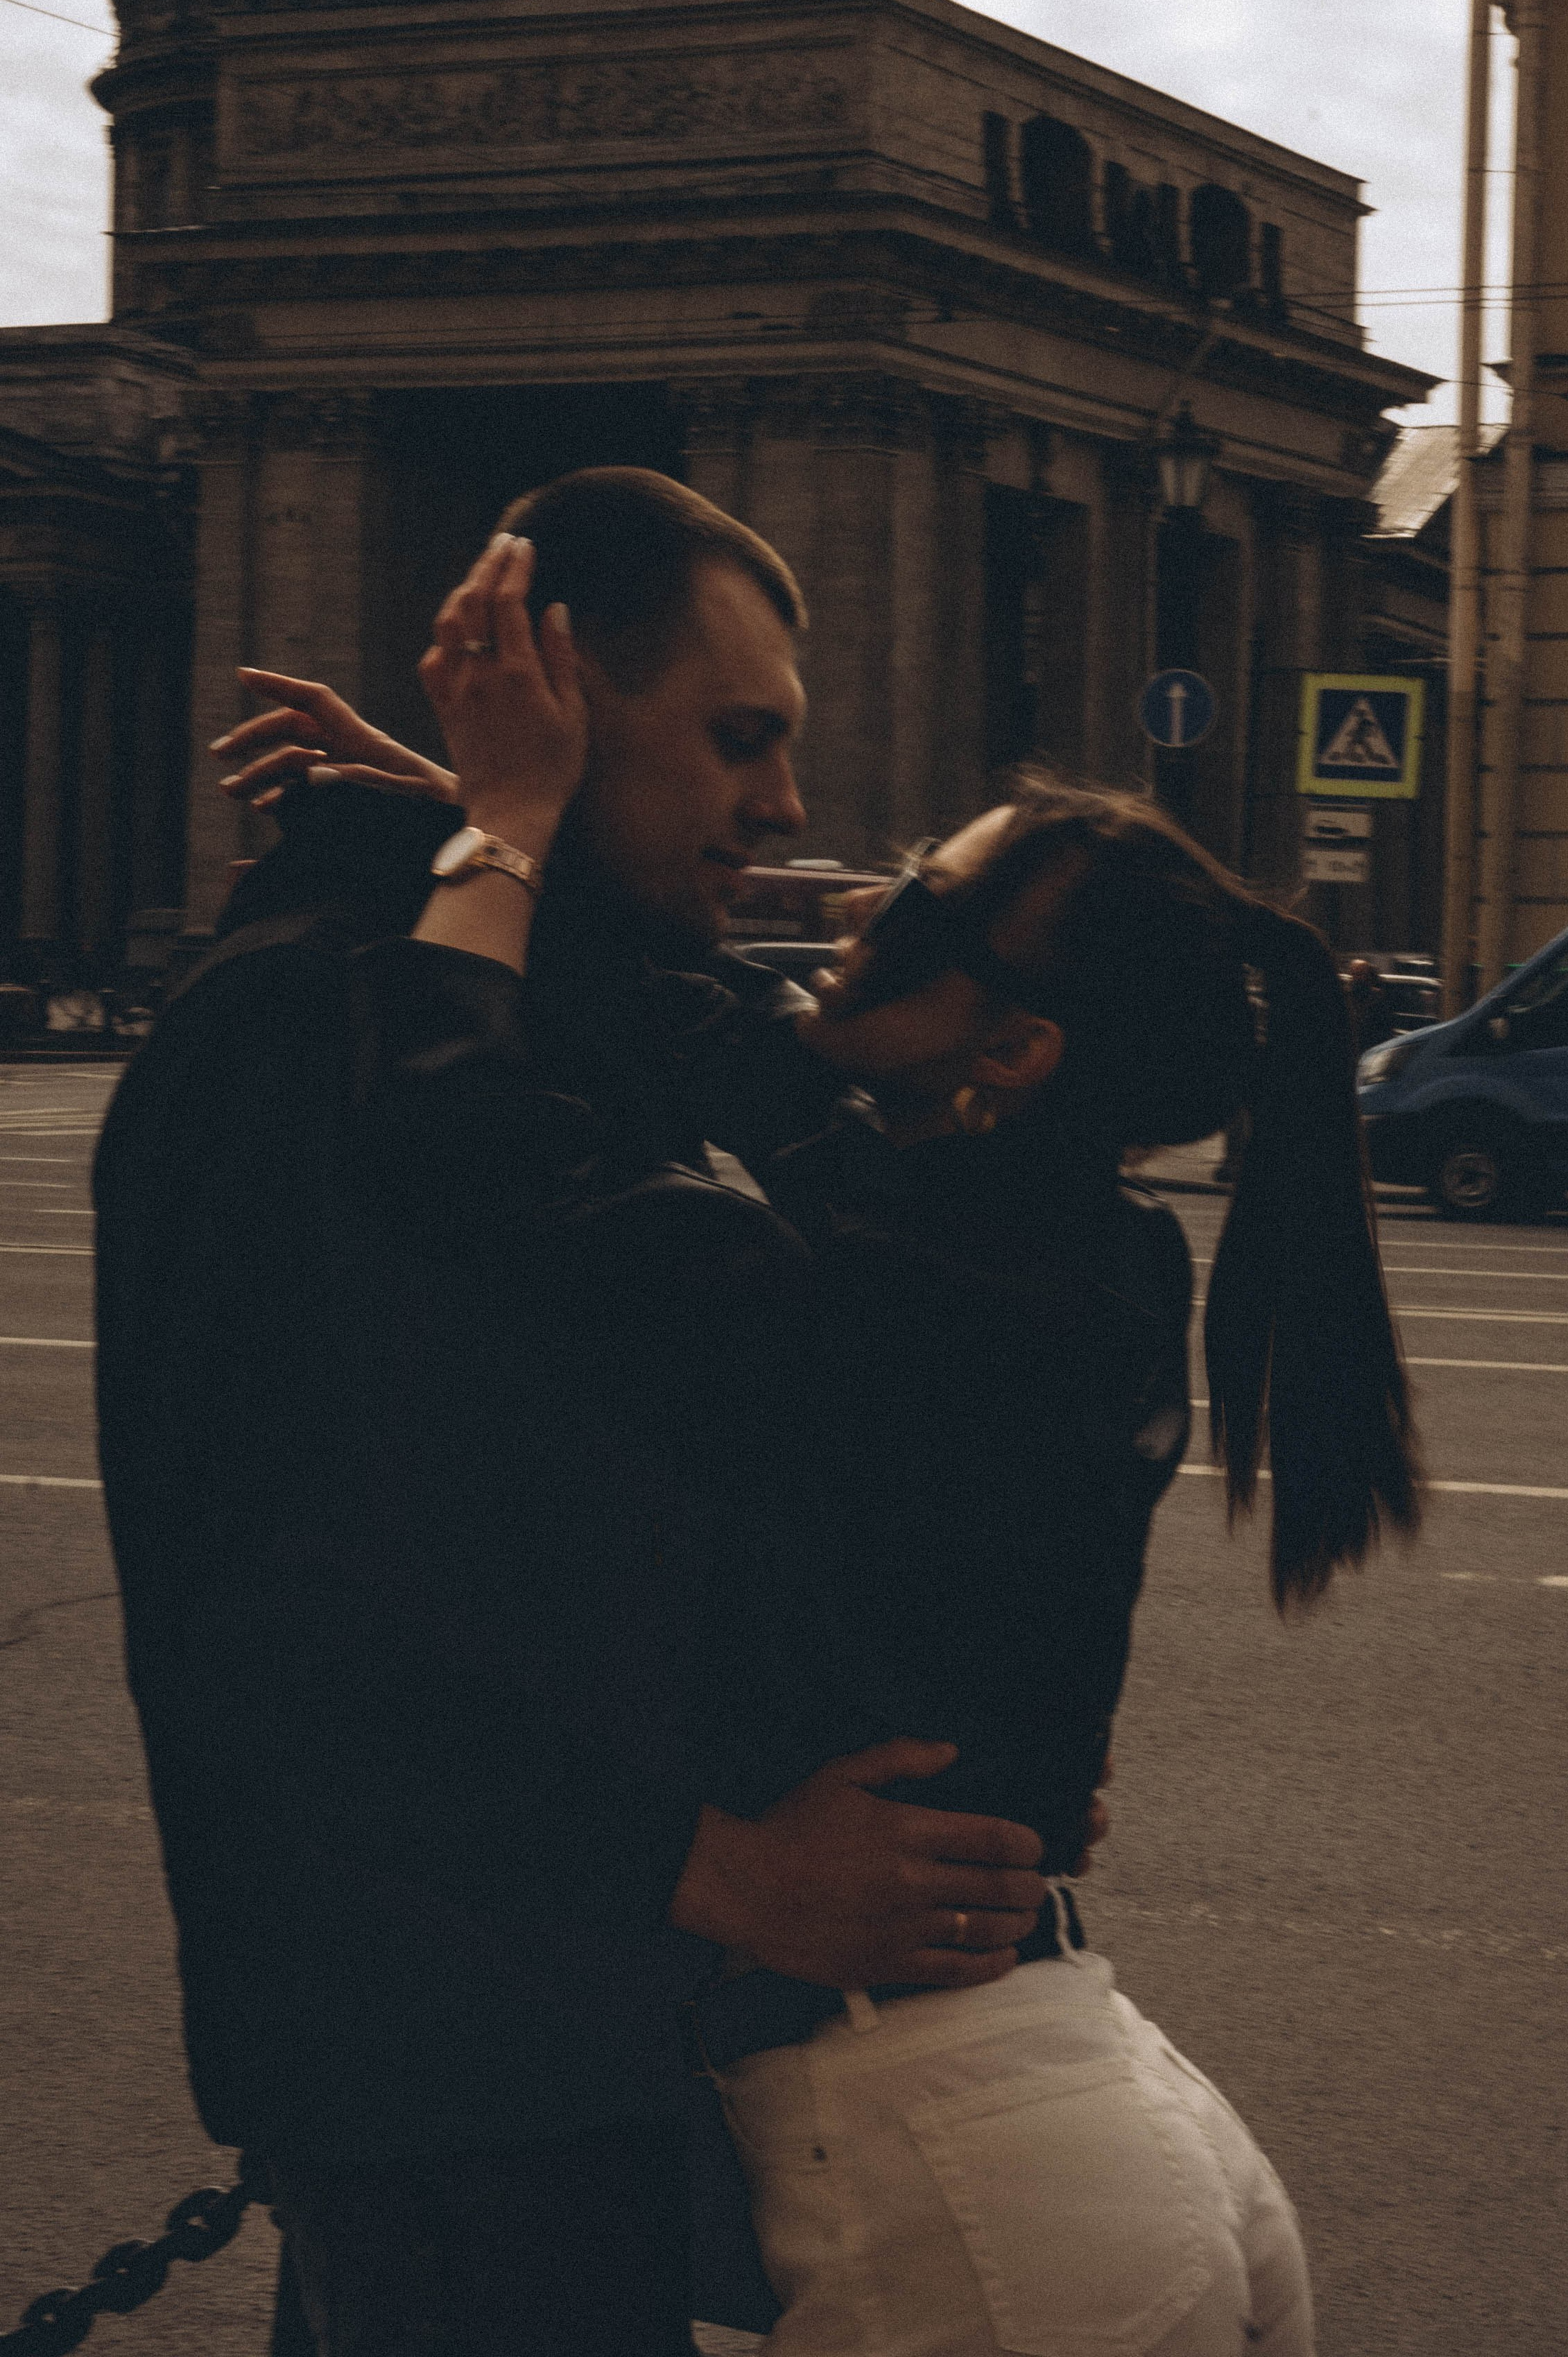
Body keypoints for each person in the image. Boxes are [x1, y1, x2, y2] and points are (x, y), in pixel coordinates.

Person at [329, 533, 1423, 2356]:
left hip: (975, 2179)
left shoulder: (901, 1281)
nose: (853, 900)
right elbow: (731, 1037)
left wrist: (502, 836)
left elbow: (452, 1138)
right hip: (1065, 2112)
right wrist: (494, 812)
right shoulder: (1061, 1240)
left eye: (920, 906)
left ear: (1015, 1047)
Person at [93, 471, 1054, 2357]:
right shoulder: (289, 1032)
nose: (784, 805)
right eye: (739, 739)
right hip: (439, 2049)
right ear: (555, 696)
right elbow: (267, 1612)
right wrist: (712, 1870)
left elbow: (702, 1062)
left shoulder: (500, 997)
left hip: (576, 2018)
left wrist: (468, 822)